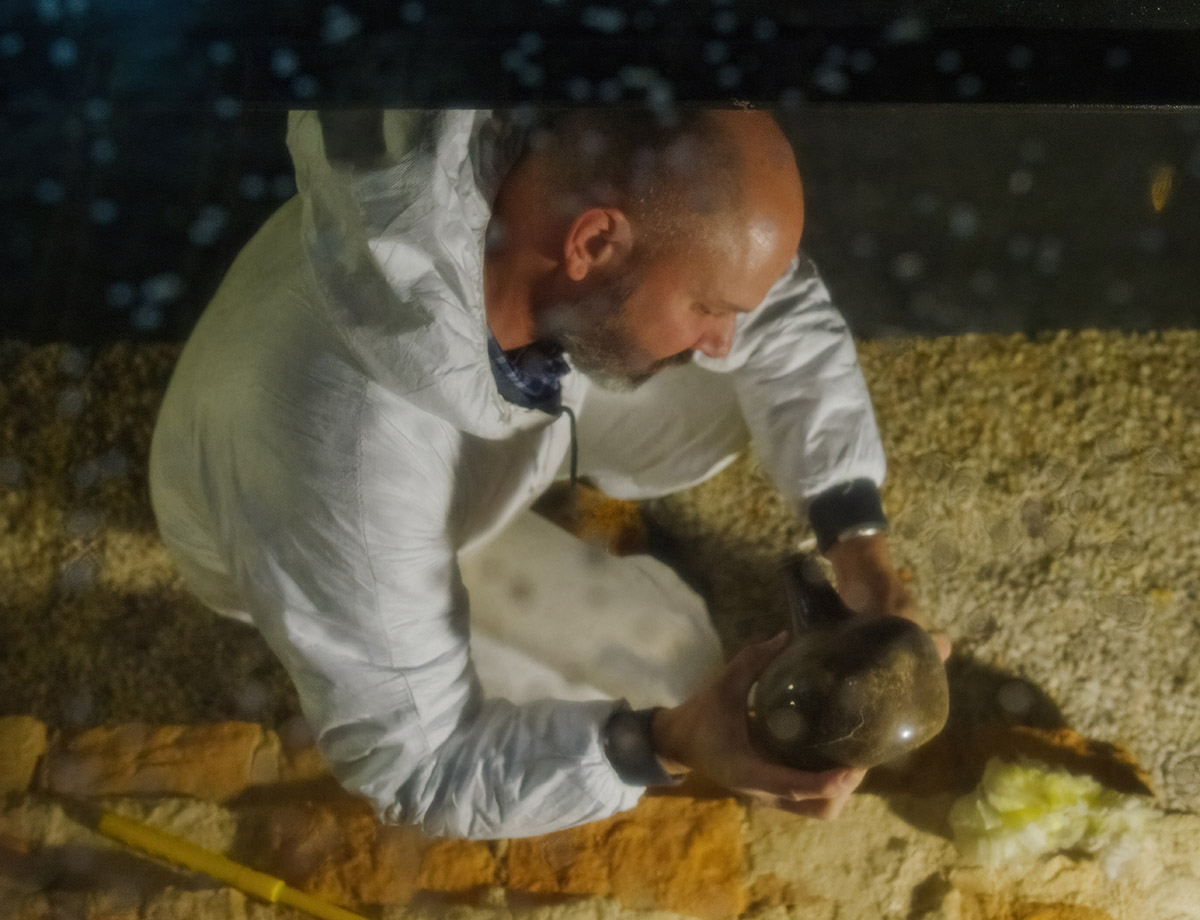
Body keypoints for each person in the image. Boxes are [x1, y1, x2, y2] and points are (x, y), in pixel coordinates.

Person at [148, 106, 951, 841]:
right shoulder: (346, 466)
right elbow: (423, 767)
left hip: (486, 407)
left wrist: (856, 540)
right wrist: (668, 743)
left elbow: (771, 302)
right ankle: (441, 591)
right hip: (320, 520)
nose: (721, 338)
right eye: (711, 307)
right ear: (593, 243)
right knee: (675, 663)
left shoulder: (531, 163)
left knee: (734, 388)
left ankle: (535, 479)